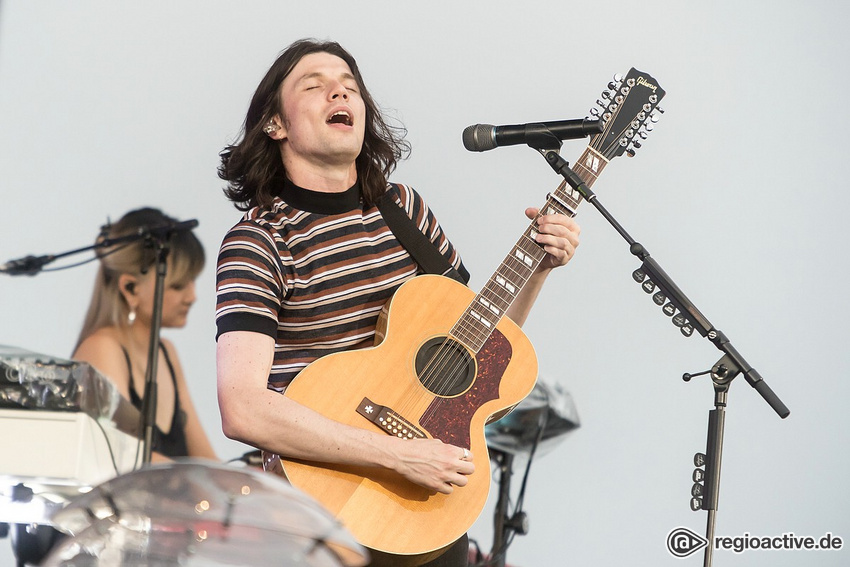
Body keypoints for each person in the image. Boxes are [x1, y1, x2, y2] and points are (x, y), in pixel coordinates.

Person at [214, 39, 580, 566]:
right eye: (313, 86)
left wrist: (539, 269)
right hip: (318, 517)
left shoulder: (404, 210)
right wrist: (399, 454)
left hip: (425, 511)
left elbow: (474, 354)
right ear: (275, 125)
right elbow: (242, 407)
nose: (339, 90)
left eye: (349, 84)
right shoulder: (260, 240)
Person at [73, 207, 219, 462]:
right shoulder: (101, 347)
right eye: (178, 285)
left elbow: (205, 460)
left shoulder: (167, 352)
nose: (192, 296)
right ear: (130, 288)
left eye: (193, 281)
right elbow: (122, 454)